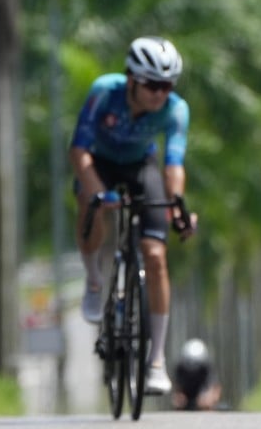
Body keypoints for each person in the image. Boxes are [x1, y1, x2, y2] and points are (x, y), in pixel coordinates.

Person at [68, 35, 195, 396]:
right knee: (89, 204)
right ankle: (95, 281)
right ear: (131, 80)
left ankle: (156, 362)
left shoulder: (176, 109)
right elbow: (79, 150)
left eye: (167, 86)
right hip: (100, 162)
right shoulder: (103, 92)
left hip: (141, 166)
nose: (160, 94)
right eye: (153, 85)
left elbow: (174, 164)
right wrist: (98, 191)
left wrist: (177, 204)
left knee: (155, 256)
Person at [172, 338, 223, 411]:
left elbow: (215, 387)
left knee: (207, 405)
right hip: (187, 395)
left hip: (203, 393)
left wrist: (210, 398)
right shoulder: (180, 368)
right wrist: (179, 398)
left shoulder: (207, 367)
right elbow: (177, 389)